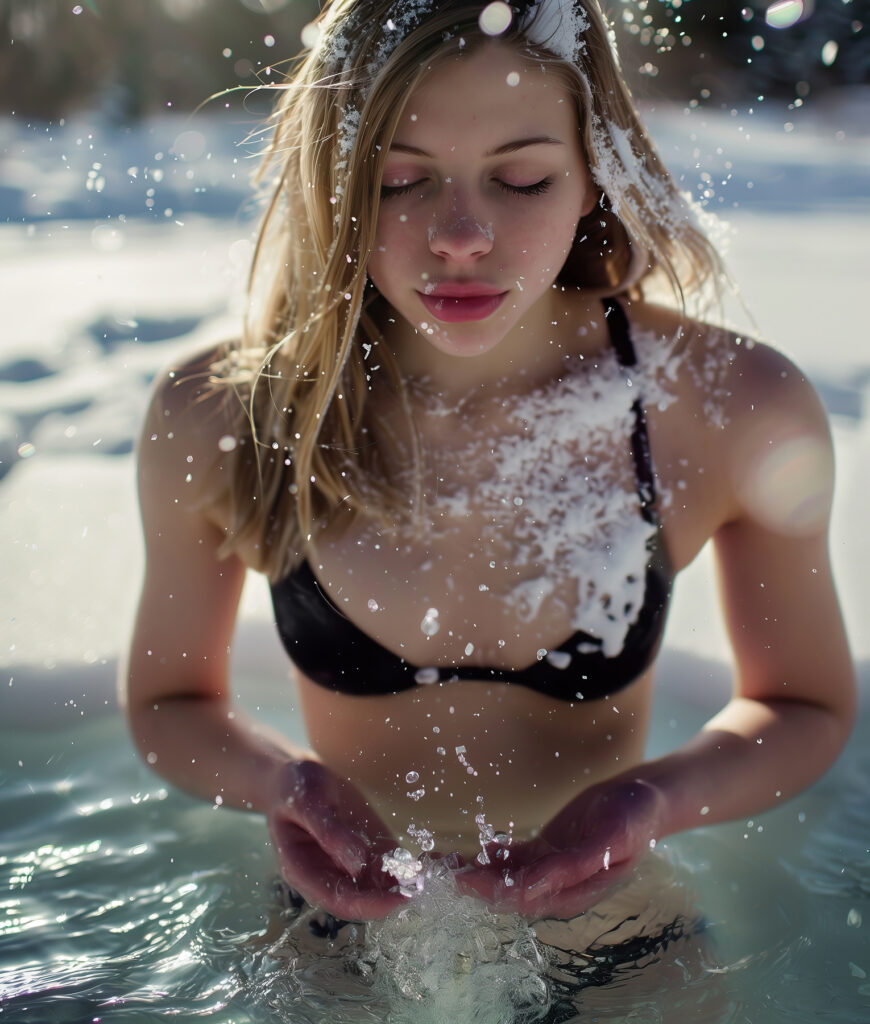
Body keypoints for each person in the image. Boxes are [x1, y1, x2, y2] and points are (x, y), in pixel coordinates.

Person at [123, 0, 855, 934]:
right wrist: (284, 781)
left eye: (521, 178)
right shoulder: (225, 413)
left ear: (594, 173)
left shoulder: (723, 408)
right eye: (398, 180)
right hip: (336, 930)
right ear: (335, 184)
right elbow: (166, 701)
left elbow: (806, 705)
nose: (460, 234)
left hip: (613, 938)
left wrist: (656, 800)